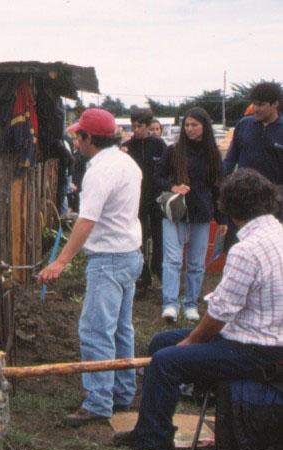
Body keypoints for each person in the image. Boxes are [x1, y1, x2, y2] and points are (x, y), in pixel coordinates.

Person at [103, 169, 283, 450]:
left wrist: (192, 342)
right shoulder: (276, 233)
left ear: (228, 207)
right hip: (262, 338)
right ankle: (149, 427)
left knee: (165, 361)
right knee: (161, 341)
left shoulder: (246, 249)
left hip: (260, 351)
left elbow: (219, 315)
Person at [38, 108, 143, 427]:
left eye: (78, 135)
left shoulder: (99, 171)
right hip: (129, 253)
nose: (75, 140)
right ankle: (123, 392)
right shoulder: (126, 161)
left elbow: (86, 221)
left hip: (110, 258)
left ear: (89, 138)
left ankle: (99, 401)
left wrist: (60, 261)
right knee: (121, 328)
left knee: (96, 329)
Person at [154, 107, 224, 323]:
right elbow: (157, 177)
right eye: (187, 125)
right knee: (172, 260)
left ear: (204, 127)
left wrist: (222, 219)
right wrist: (172, 186)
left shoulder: (213, 153)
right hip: (175, 212)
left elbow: (218, 188)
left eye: (195, 125)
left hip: (202, 213)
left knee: (196, 263)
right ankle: (170, 304)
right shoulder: (173, 150)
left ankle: (191, 303)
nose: (190, 129)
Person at [223, 82, 283, 220]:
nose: (256, 108)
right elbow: (230, 160)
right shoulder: (243, 124)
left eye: (261, 104)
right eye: (254, 104)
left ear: (275, 104)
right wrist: (222, 183)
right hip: (243, 200)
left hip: (274, 202)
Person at [123, 108, 167, 292]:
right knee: (137, 237)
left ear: (148, 126)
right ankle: (142, 275)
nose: (136, 129)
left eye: (140, 126)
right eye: (133, 126)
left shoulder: (159, 145)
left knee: (159, 237)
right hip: (136, 199)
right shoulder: (127, 146)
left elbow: (166, 169)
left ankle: (159, 268)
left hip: (156, 199)